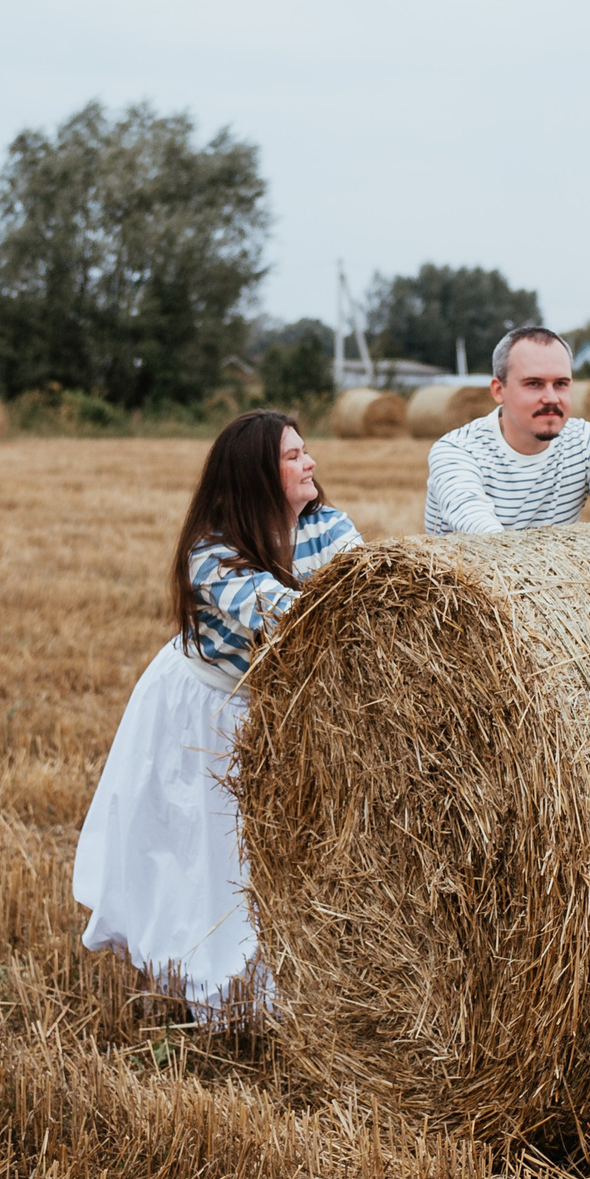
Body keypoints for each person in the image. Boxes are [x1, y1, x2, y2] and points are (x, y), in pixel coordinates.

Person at [71, 409, 361, 1010]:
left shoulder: (328, 526)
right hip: (207, 707)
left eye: (306, 451)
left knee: (279, 853)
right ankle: (209, 985)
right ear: (255, 473)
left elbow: (365, 590)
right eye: (293, 456)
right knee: (204, 852)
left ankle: (282, 982)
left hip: (281, 706)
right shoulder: (211, 553)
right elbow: (291, 619)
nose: (311, 463)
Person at [424, 325, 590, 533]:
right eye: (534, 384)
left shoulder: (584, 441)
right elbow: (478, 529)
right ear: (499, 390)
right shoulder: (457, 452)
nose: (551, 398)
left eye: (561, 384)